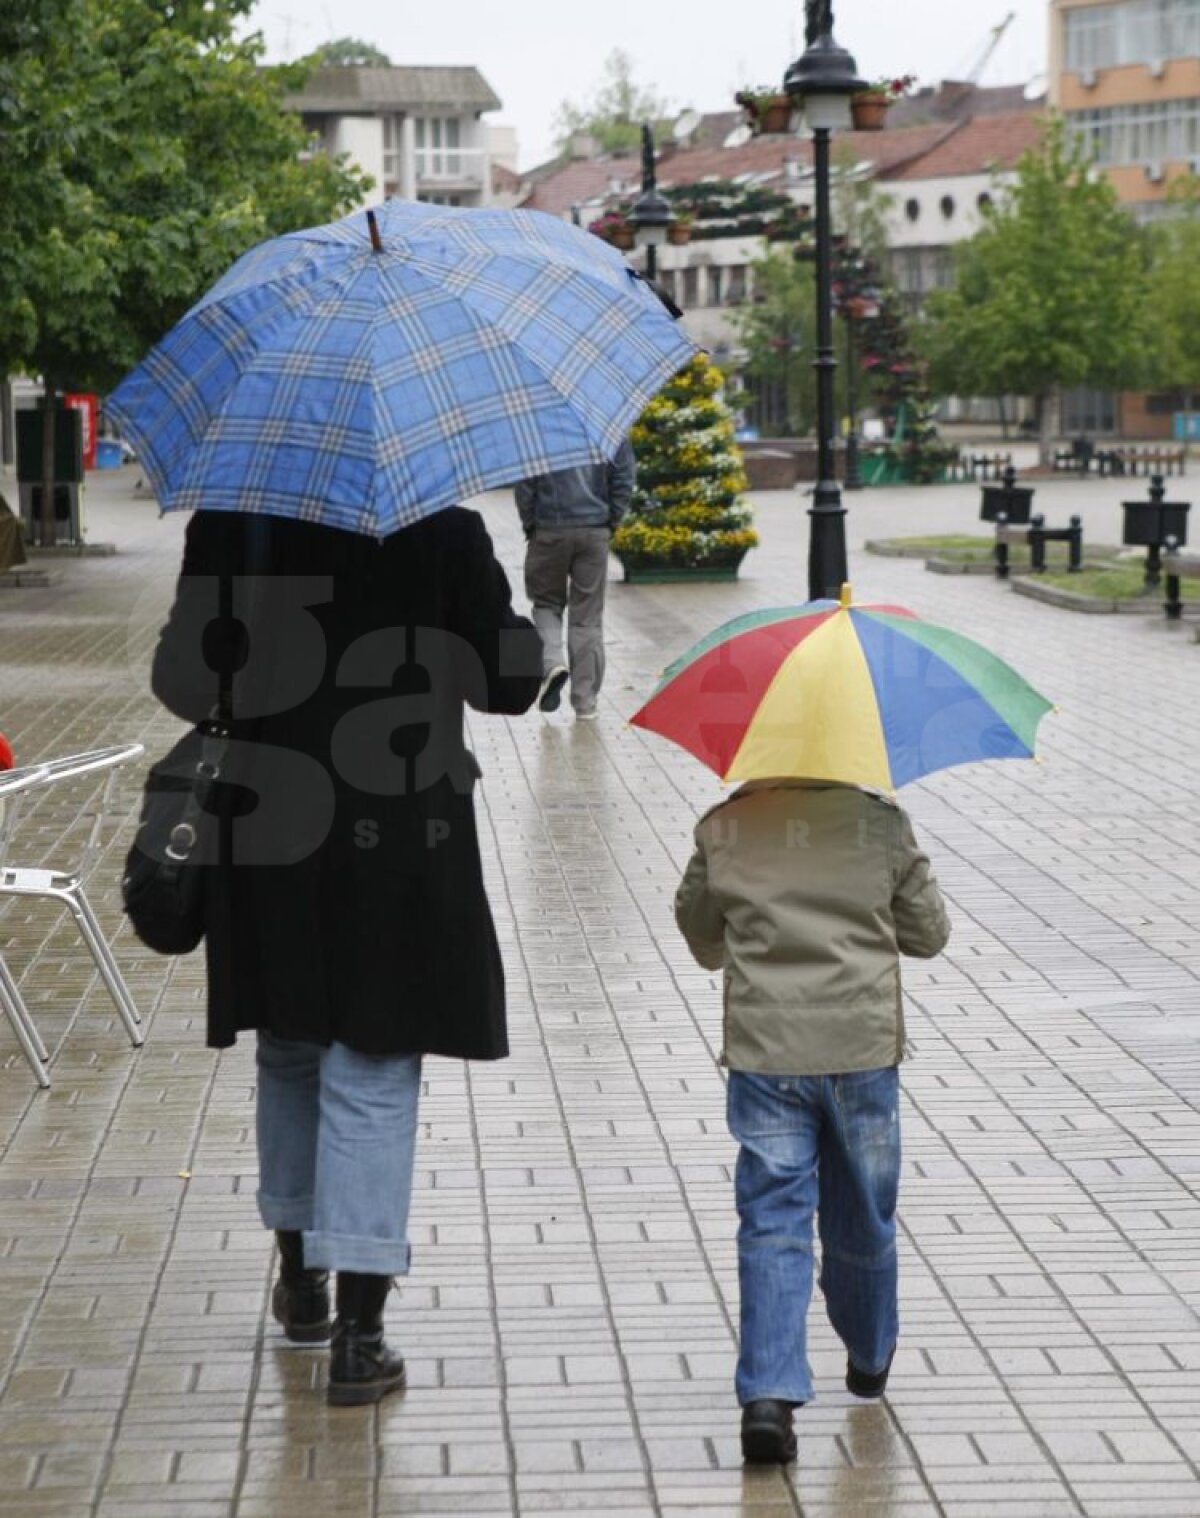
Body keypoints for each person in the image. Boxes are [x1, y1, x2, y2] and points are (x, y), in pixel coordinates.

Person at [151, 506, 542, 1406]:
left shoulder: (235, 517)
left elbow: (183, 674)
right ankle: (361, 1340)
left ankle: (300, 1288)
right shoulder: (440, 526)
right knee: (371, 1062)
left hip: (269, 824)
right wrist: (515, 626)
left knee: (288, 1048)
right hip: (399, 833)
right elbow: (507, 683)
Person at [673, 778, 950, 1463]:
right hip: (860, 1051)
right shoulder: (880, 824)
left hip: (767, 1055)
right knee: (863, 1207)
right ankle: (868, 1349)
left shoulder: (726, 826)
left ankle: (769, 1393)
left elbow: (702, 937)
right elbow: (929, 933)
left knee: (772, 1216)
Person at [514, 437, 635, 720]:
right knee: (587, 617)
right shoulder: (607, 426)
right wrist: (610, 521)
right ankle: (585, 702)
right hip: (594, 530)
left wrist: (531, 524)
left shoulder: (535, 427)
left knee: (546, 604)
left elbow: (525, 485)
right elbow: (624, 478)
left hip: (548, 530)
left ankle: (552, 663)